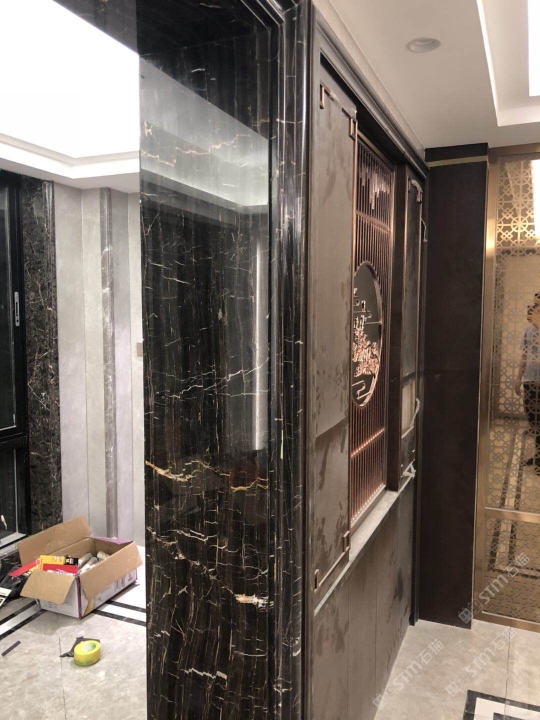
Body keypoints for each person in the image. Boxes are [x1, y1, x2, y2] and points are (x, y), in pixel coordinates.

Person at [515, 300, 540, 472]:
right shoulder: (528, 330)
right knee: (533, 420)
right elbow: (524, 356)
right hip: (530, 381)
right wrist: (519, 378)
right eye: (535, 308)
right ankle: (538, 455)